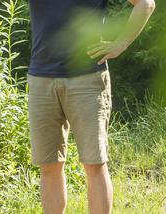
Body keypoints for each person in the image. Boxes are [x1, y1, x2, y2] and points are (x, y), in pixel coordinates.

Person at [27, 0, 155, 213]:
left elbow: (145, 4)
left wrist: (120, 43)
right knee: (49, 165)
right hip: (41, 79)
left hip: (87, 79)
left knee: (94, 164)